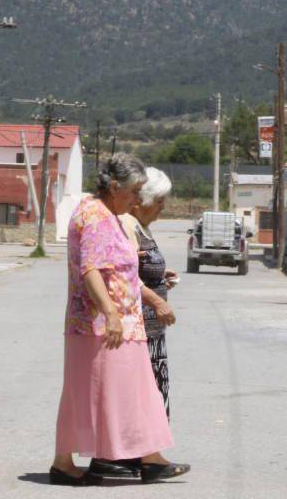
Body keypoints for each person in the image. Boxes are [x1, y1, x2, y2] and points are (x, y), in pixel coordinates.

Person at [51, 154, 191, 486]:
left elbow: (116, 268)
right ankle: (70, 463)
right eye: (133, 191)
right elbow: (91, 270)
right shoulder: (97, 215)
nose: (136, 198)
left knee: (128, 391)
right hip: (102, 327)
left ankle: (146, 458)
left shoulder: (107, 213)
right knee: (120, 392)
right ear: (115, 187)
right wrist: (111, 314)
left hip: (115, 325)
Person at [123, 167, 176, 417]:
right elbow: (125, 273)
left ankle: (149, 454)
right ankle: (140, 454)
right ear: (140, 202)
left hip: (152, 330)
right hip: (139, 328)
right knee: (141, 393)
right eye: (158, 201)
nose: (162, 207)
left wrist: (161, 277)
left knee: (154, 388)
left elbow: (141, 268)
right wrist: (158, 301)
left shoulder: (143, 226)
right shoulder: (128, 224)